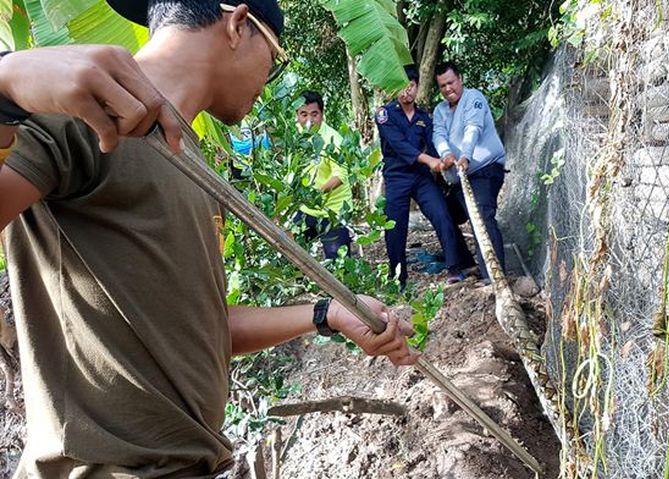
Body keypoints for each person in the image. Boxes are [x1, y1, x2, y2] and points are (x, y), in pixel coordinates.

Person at [0, 1, 418, 476]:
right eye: (275, 56)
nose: (268, 79)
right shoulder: (75, 111)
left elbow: (198, 323)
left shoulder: (193, 163)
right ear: (239, 25)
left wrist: (327, 314)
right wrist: (6, 86)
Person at [375, 65, 474, 289]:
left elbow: (435, 143)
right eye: (401, 86)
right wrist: (430, 161)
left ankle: (455, 268)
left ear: (417, 87)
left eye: (411, 86)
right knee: (395, 226)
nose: (406, 91)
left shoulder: (425, 118)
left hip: (421, 178)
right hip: (397, 178)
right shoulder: (384, 115)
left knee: (441, 214)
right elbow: (399, 145)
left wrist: (448, 158)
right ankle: (398, 278)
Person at [433, 61, 507, 284]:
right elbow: (438, 136)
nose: (448, 89)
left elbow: (472, 129)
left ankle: (493, 276)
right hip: (458, 178)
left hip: (484, 170)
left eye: (451, 82)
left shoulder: (474, 98)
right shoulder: (440, 111)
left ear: (460, 79)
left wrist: (465, 155)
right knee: (442, 213)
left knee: (482, 217)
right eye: (442, 86)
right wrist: (446, 155)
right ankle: (466, 264)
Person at [293, 90, 353, 259]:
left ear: (322, 114)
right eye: (303, 114)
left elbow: (340, 177)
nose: (309, 120)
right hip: (306, 210)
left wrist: (314, 195)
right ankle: (300, 284)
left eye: (314, 114)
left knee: (338, 266)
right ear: (297, 115)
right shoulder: (295, 138)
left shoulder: (333, 139)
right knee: (292, 257)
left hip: (333, 211)